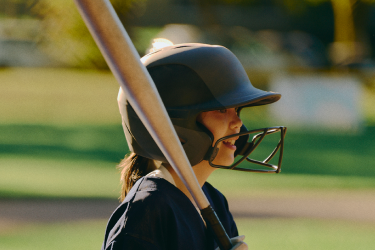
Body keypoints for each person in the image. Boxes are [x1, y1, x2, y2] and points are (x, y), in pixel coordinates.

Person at [101, 43, 286, 250]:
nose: (238, 124)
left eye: (237, 110)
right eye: (222, 110)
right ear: (178, 123)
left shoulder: (214, 201)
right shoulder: (147, 210)